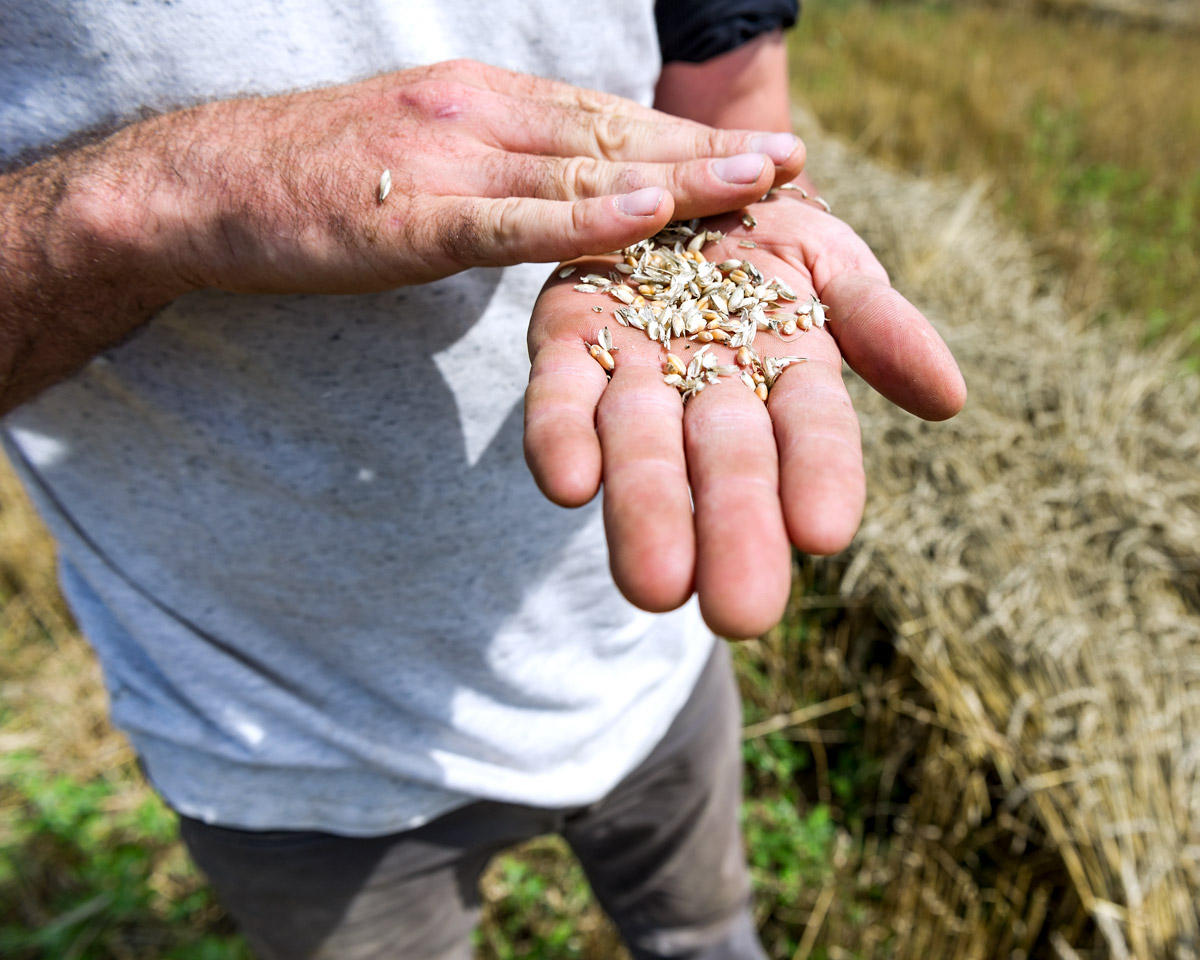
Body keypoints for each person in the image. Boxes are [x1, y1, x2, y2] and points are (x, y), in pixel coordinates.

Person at [0, 1, 965, 957]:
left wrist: (748, 205)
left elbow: (732, 110)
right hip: (278, 736)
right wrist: (145, 199)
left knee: (706, 936)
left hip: (640, 660)